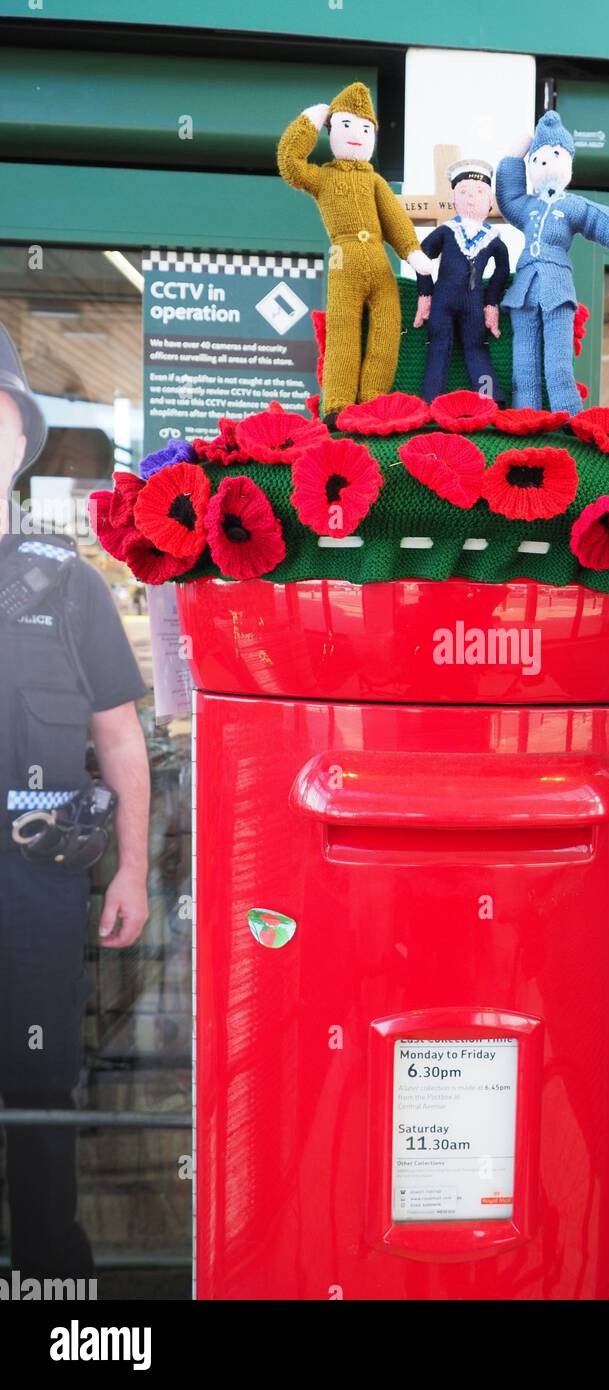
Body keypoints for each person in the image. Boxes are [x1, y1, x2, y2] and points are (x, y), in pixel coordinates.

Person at [0, 322, 150, 1279]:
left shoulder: (69, 586)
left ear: (19, 442)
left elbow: (121, 738)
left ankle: (53, 1282)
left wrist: (133, 867)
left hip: (35, 893)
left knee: (41, 1090)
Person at [277, 82, 434, 427]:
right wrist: (308, 122)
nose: (357, 135)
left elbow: (394, 218)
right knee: (343, 330)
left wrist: (412, 251)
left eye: (365, 128)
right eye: (347, 125)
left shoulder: (375, 181)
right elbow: (289, 162)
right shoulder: (323, 177)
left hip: (379, 262)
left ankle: (374, 398)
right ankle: (337, 403)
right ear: (333, 130)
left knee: (388, 327)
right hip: (344, 260)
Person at [495, 110, 609, 416]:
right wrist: (513, 157)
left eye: (552, 155)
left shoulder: (572, 205)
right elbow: (508, 196)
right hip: (525, 290)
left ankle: (568, 418)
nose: (543, 163)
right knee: (523, 361)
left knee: (558, 362)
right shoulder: (526, 207)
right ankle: (524, 415)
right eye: (537, 159)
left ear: (567, 159)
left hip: (557, 288)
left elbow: (598, 219)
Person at [412, 159, 510, 404]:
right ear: (454, 200)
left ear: (490, 201)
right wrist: (425, 293)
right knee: (438, 348)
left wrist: (491, 301)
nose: (471, 198)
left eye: (479, 192)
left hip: (475, 304)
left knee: (476, 348)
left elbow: (503, 270)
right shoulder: (447, 231)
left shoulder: (493, 238)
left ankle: (490, 400)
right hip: (442, 301)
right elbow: (421, 258)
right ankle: (429, 401)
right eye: (464, 192)